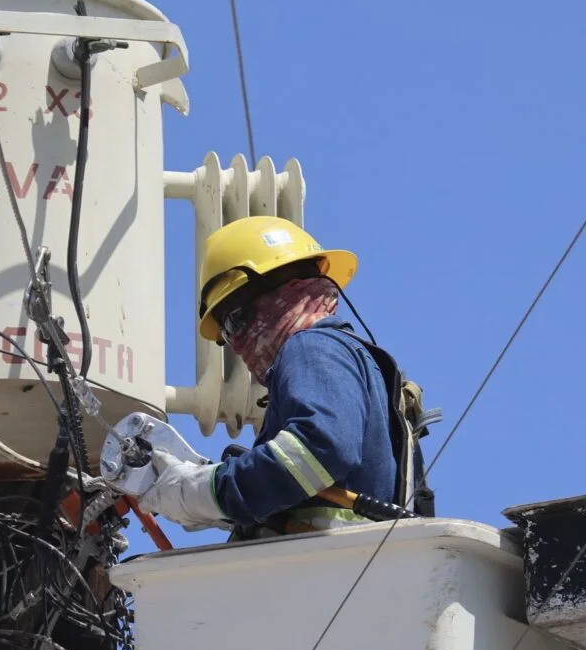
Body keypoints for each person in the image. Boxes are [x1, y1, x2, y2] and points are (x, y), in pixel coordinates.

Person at [139, 215, 436, 539]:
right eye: (226, 333)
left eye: (236, 319)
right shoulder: (351, 361)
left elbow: (320, 448)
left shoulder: (312, 346)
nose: (236, 344)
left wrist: (207, 491)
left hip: (323, 578)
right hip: (342, 575)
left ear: (292, 288)